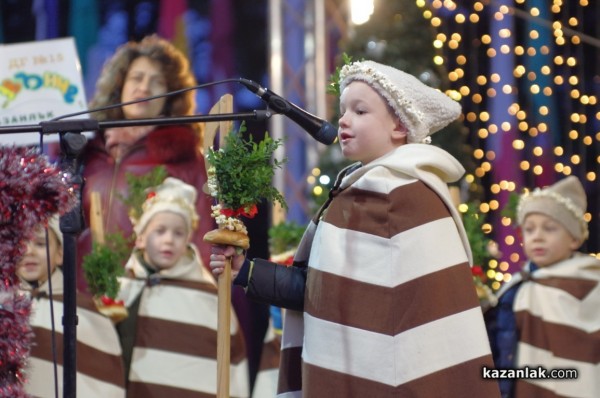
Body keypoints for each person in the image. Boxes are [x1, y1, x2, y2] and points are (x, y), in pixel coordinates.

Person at [209, 60, 501, 397]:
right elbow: (321, 292)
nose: (343, 120)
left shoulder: (408, 196)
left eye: (360, 111)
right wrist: (245, 271)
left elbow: (422, 325)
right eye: (343, 109)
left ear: (399, 126)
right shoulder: (353, 190)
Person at [76, 34, 214, 293]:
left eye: (157, 81)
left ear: (170, 97)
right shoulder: (87, 152)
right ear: (120, 87)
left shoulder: (184, 155)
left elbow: (202, 237)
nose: (145, 88)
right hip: (86, 292)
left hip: (153, 295)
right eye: (137, 78)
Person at [115, 177, 249, 397]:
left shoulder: (206, 296)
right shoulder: (122, 287)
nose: (169, 240)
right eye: (160, 231)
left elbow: (227, 363)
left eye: (178, 233)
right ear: (140, 238)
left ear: (188, 238)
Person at [485, 176, 600, 398]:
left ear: (574, 239)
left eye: (549, 229)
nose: (537, 237)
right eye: (529, 230)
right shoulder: (520, 282)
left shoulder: (588, 283)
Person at [17, 216, 125, 397]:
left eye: (41, 244)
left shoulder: (83, 311)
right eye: (20, 245)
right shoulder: (5, 307)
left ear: (60, 254)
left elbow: (100, 382)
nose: (29, 251)